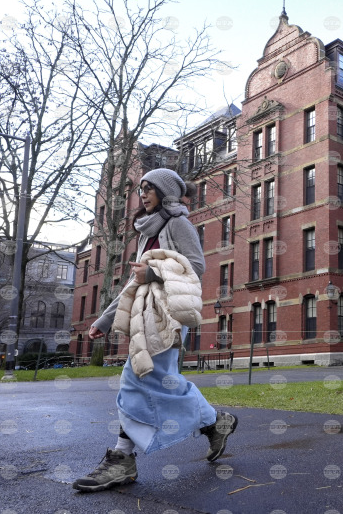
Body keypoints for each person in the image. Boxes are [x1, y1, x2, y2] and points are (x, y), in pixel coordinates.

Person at [73, 169, 238, 493]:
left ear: (165, 193)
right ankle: (215, 422)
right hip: (144, 315)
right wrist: (104, 320)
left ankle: (122, 458)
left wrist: (154, 273)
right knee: (160, 380)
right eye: (142, 189)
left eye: (150, 189)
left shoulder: (178, 223)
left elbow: (197, 266)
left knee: (135, 377)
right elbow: (135, 282)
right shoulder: (146, 231)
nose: (143, 194)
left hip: (169, 315)